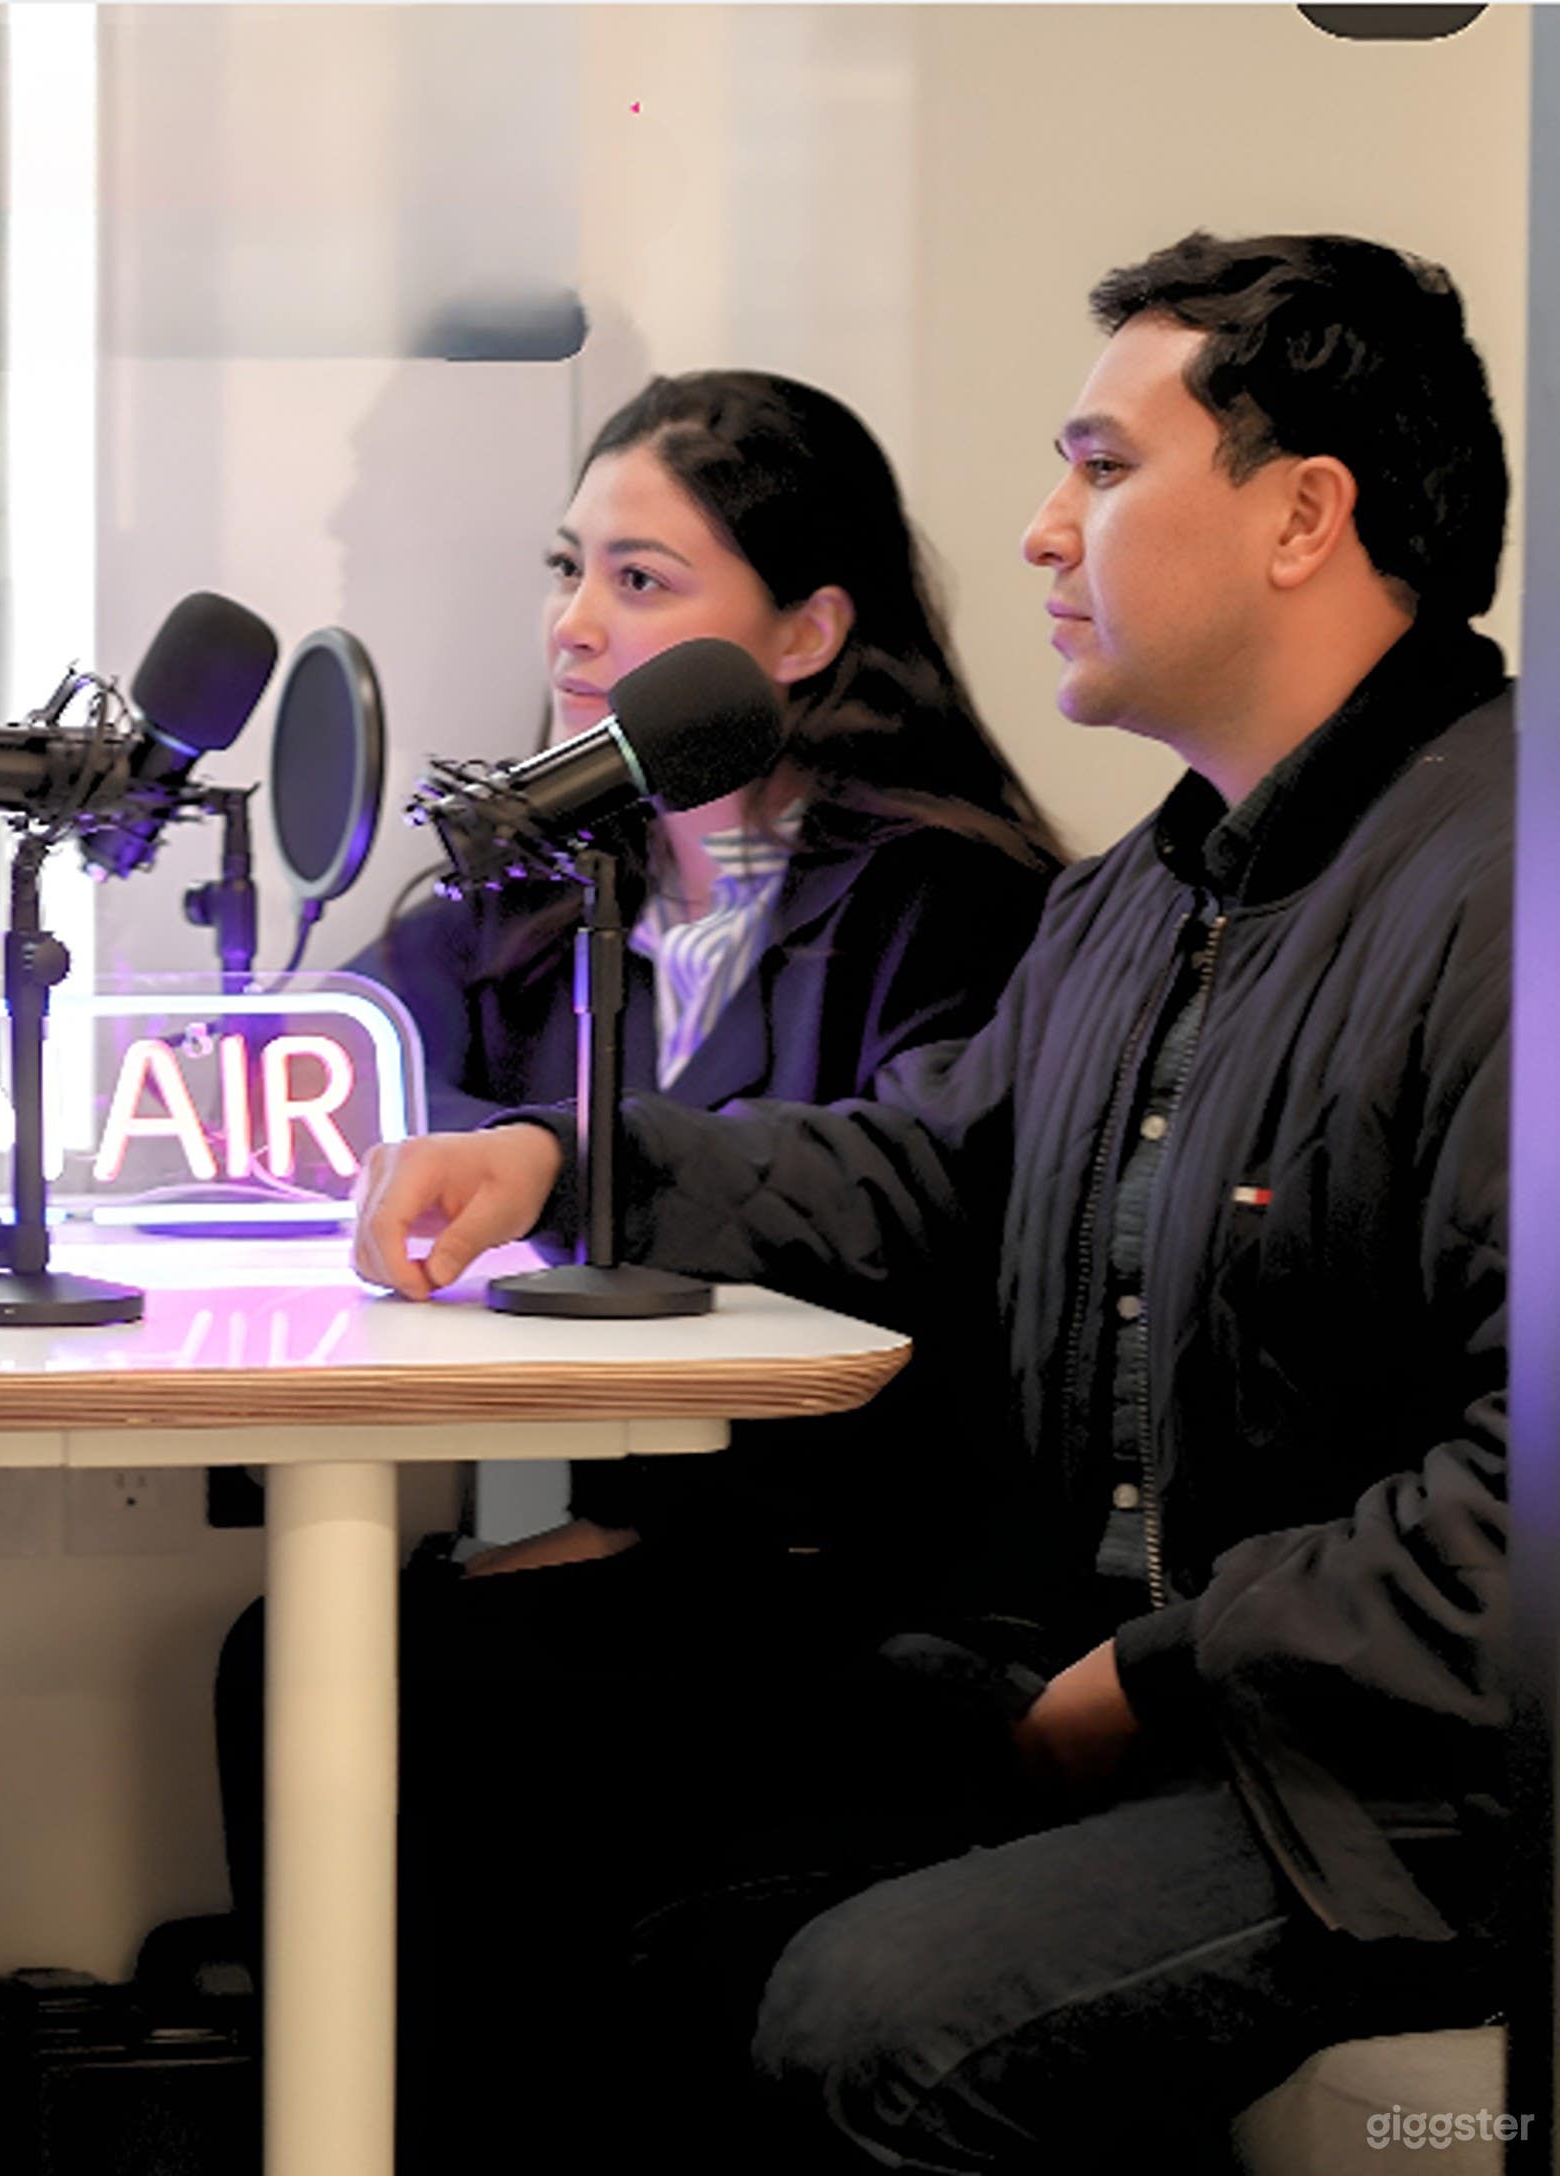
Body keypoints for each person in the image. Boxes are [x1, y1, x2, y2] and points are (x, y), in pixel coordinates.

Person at [353, 231, 1514, 2172]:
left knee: (855, 2015)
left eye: (1101, 468)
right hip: (1144, 1691)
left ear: (1303, 514)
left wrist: (1145, 1673)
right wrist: (567, 1165)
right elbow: (925, 1164)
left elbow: (1515, 1497)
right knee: (587, 1845)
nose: (1042, 535)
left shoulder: (1499, 887)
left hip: (1392, 1779)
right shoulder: (1146, 892)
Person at [219, 369, 1063, 2173]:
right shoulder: (551, 880)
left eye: (644, 583)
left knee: (413, 1679)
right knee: (300, 1648)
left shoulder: (949, 901)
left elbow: (901, 1234)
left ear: (812, 629)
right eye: (568, 569)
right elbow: (335, 1064)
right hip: (676, 1541)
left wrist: (653, 1536)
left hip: (869, 1567)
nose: (576, 627)